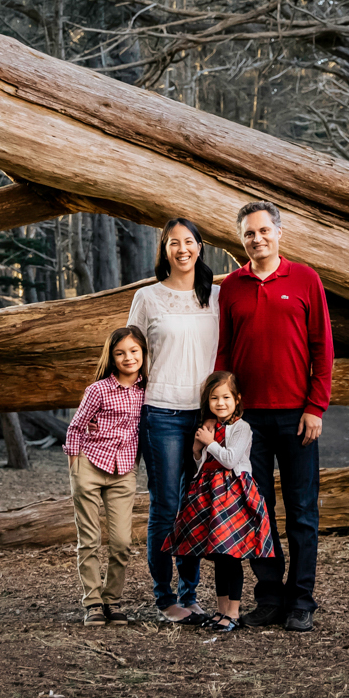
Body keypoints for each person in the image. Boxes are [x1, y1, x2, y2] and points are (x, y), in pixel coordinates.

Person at [213, 199, 332, 632]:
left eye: (264, 231)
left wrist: (316, 407)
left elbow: (323, 350)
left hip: (298, 417)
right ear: (241, 239)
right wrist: (222, 412)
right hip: (247, 423)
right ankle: (269, 598)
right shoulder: (232, 286)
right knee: (257, 511)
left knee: (301, 511)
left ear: (279, 232)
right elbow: (224, 352)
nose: (257, 239)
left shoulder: (304, 279)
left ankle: (301, 600)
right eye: (249, 233)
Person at [126, 218, 218, 624]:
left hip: (204, 417)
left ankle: (190, 593)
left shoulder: (217, 296)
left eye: (189, 242)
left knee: (195, 507)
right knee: (166, 507)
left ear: (200, 246)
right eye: (173, 243)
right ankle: (165, 598)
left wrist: (220, 416)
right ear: (164, 250)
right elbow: (129, 357)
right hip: (161, 412)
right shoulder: (147, 298)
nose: (182, 249)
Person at [163, 369, 274, 631]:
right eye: (214, 399)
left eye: (226, 397)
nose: (220, 403)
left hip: (233, 496)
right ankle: (221, 610)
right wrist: (197, 449)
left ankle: (233, 613)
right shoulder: (211, 427)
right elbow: (203, 464)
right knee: (217, 554)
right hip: (210, 497)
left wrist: (210, 442)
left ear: (237, 399)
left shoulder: (241, 428)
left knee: (231, 555)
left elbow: (230, 459)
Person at [64, 325, 148, 626]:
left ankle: (112, 599)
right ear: (112, 358)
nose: (128, 357)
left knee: (122, 541)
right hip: (89, 465)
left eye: (134, 351)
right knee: (88, 539)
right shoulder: (98, 390)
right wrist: (75, 467)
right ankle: (93, 603)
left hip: (123, 471)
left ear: (143, 353)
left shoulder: (147, 390)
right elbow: (76, 427)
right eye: (120, 353)